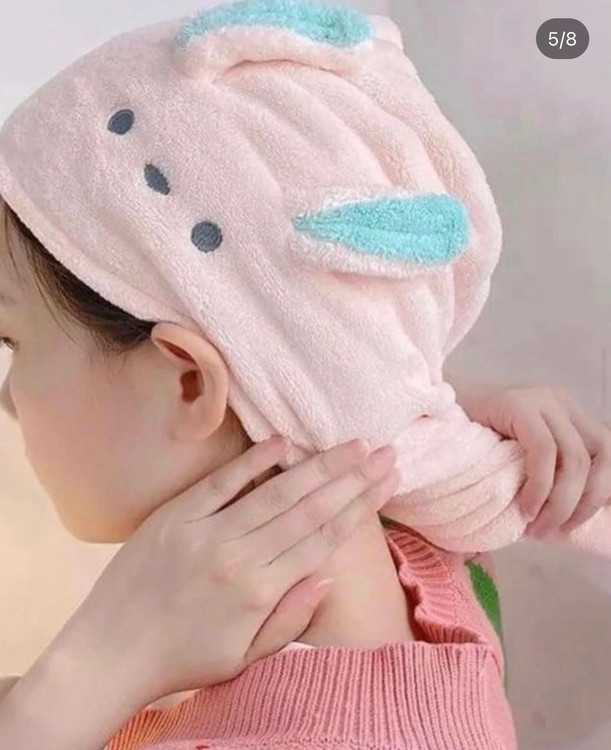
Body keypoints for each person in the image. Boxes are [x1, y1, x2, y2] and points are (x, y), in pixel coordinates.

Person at [1, 0, 611, 747]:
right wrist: (442, 400)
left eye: (13, 340)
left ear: (189, 382)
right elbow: (303, 351)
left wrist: (89, 673)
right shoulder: (426, 556)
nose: (8, 399)